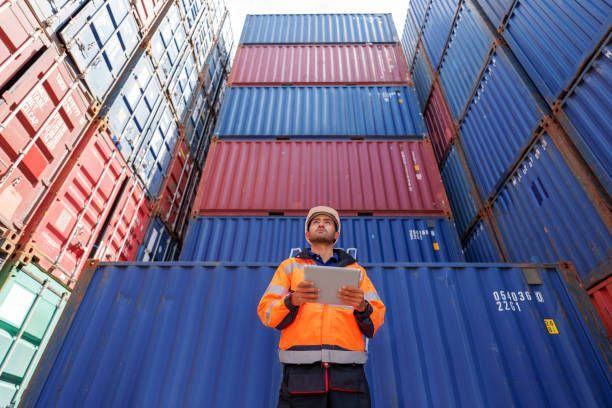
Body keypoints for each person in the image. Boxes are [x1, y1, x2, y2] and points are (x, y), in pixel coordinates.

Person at [257, 206, 386, 407]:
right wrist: (292, 300)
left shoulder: (357, 272)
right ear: (307, 234)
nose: (321, 223)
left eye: (327, 221)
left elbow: (377, 318)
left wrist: (363, 307)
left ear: (336, 234)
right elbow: (267, 312)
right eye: (316, 221)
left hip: (349, 377)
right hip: (301, 376)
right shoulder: (290, 267)